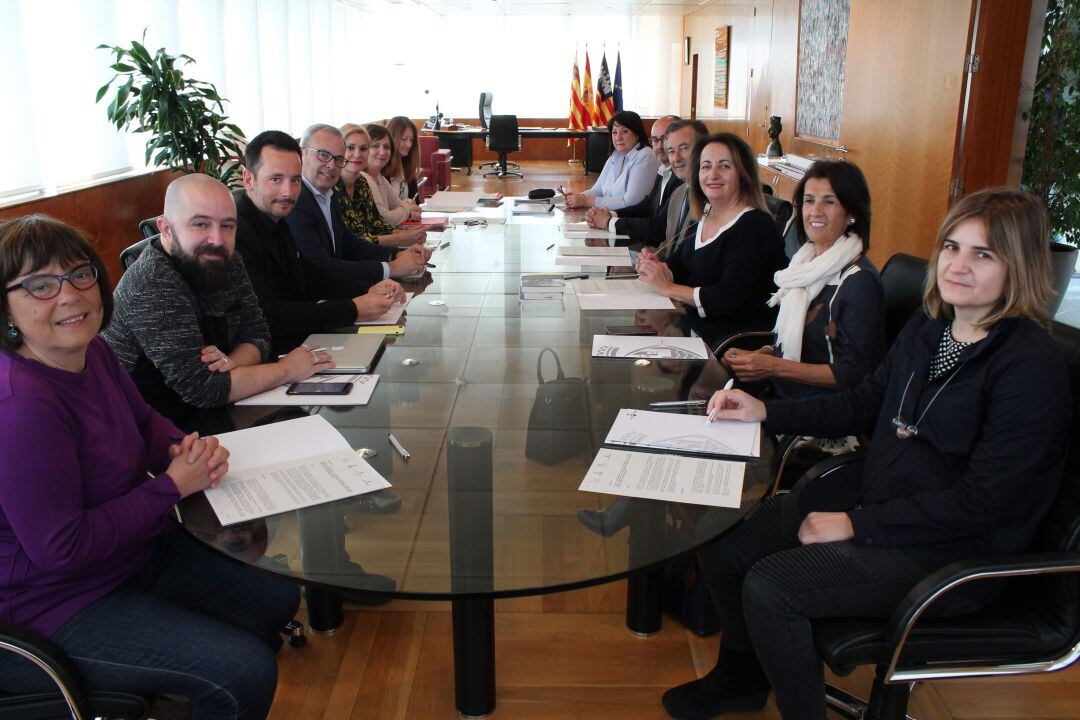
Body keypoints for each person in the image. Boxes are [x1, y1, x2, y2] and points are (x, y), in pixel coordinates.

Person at [661, 187, 1070, 720]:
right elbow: (862, 402)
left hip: (953, 551)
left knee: (771, 588)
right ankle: (741, 679)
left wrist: (858, 524)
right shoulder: (933, 326)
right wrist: (764, 413)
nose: (958, 266)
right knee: (724, 543)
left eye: (983, 254)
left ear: (1020, 267)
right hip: (881, 501)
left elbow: (983, 503)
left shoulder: (1028, 366)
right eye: (951, 247)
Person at [0, 214, 299, 719]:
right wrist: (170, 487)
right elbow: (61, 549)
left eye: (80, 274)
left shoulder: (93, 351)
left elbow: (142, 421)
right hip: (54, 603)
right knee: (241, 672)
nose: (70, 295)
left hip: (129, 555)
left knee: (276, 596)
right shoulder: (21, 407)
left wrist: (184, 447)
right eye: (40, 285)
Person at [103, 174, 332, 428]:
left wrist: (231, 362)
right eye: (200, 224)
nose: (217, 239)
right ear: (166, 229)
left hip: (214, 413)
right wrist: (288, 369)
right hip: (149, 431)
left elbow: (258, 333)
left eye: (227, 226)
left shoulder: (228, 260)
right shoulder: (152, 282)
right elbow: (203, 390)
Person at [234, 129, 407, 357]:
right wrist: (352, 309)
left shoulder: (275, 215)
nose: (287, 191)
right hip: (269, 356)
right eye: (276, 179)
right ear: (249, 179)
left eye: (295, 180)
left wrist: (368, 289)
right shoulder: (236, 229)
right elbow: (269, 314)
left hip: (297, 343)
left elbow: (309, 276)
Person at [724, 160, 885, 399]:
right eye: (809, 200)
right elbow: (807, 346)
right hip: (785, 391)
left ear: (852, 213)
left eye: (829, 202)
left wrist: (774, 367)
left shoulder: (860, 283)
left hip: (823, 408)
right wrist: (762, 355)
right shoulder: (805, 263)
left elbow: (853, 374)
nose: (815, 211)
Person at [636, 132, 786, 331]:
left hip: (732, 342)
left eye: (724, 166)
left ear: (744, 174)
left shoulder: (756, 226)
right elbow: (681, 263)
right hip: (695, 328)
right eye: (706, 166)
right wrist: (657, 267)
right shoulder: (708, 212)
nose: (712, 174)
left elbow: (726, 299)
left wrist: (668, 288)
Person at [285, 123, 428, 289]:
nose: (331, 165)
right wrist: (392, 267)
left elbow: (348, 244)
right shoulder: (296, 200)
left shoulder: (327, 194)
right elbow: (320, 268)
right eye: (323, 155)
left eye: (338, 159)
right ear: (301, 154)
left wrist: (396, 253)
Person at [584, 114, 682, 249]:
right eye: (654, 140)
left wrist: (609, 222)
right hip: (649, 244)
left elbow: (658, 228)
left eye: (664, 139)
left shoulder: (680, 177)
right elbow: (647, 206)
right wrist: (611, 214)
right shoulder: (664, 170)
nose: (659, 146)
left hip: (658, 249)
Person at [337, 123, 427, 248]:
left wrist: (411, 234)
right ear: (338, 151)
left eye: (363, 149)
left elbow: (377, 225)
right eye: (350, 148)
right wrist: (401, 237)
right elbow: (353, 241)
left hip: (371, 255)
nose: (357, 154)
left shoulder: (361, 182)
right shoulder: (332, 187)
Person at [565, 110, 660, 210]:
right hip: (611, 217)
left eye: (625, 131)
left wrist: (586, 201)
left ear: (637, 134)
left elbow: (631, 203)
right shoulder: (616, 155)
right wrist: (578, 197)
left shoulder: (646, 156)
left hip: (631, 220)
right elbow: (598, 190)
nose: (618, 137)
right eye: (614, 132)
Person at [365, 123, 421, 226]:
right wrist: (406, 209)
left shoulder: (380, 178)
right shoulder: (364, 179)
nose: (382, 151)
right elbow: (383, 218)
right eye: (375, 146)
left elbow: (404, 205)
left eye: (386, 147)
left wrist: (404, 208)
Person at [387, 115, 423, 200]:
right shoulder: (382, 169)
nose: (409, 144)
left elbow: (416, 201)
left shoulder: (407, 166)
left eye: (411, 139)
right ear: (393, 138)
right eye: (404, 139)